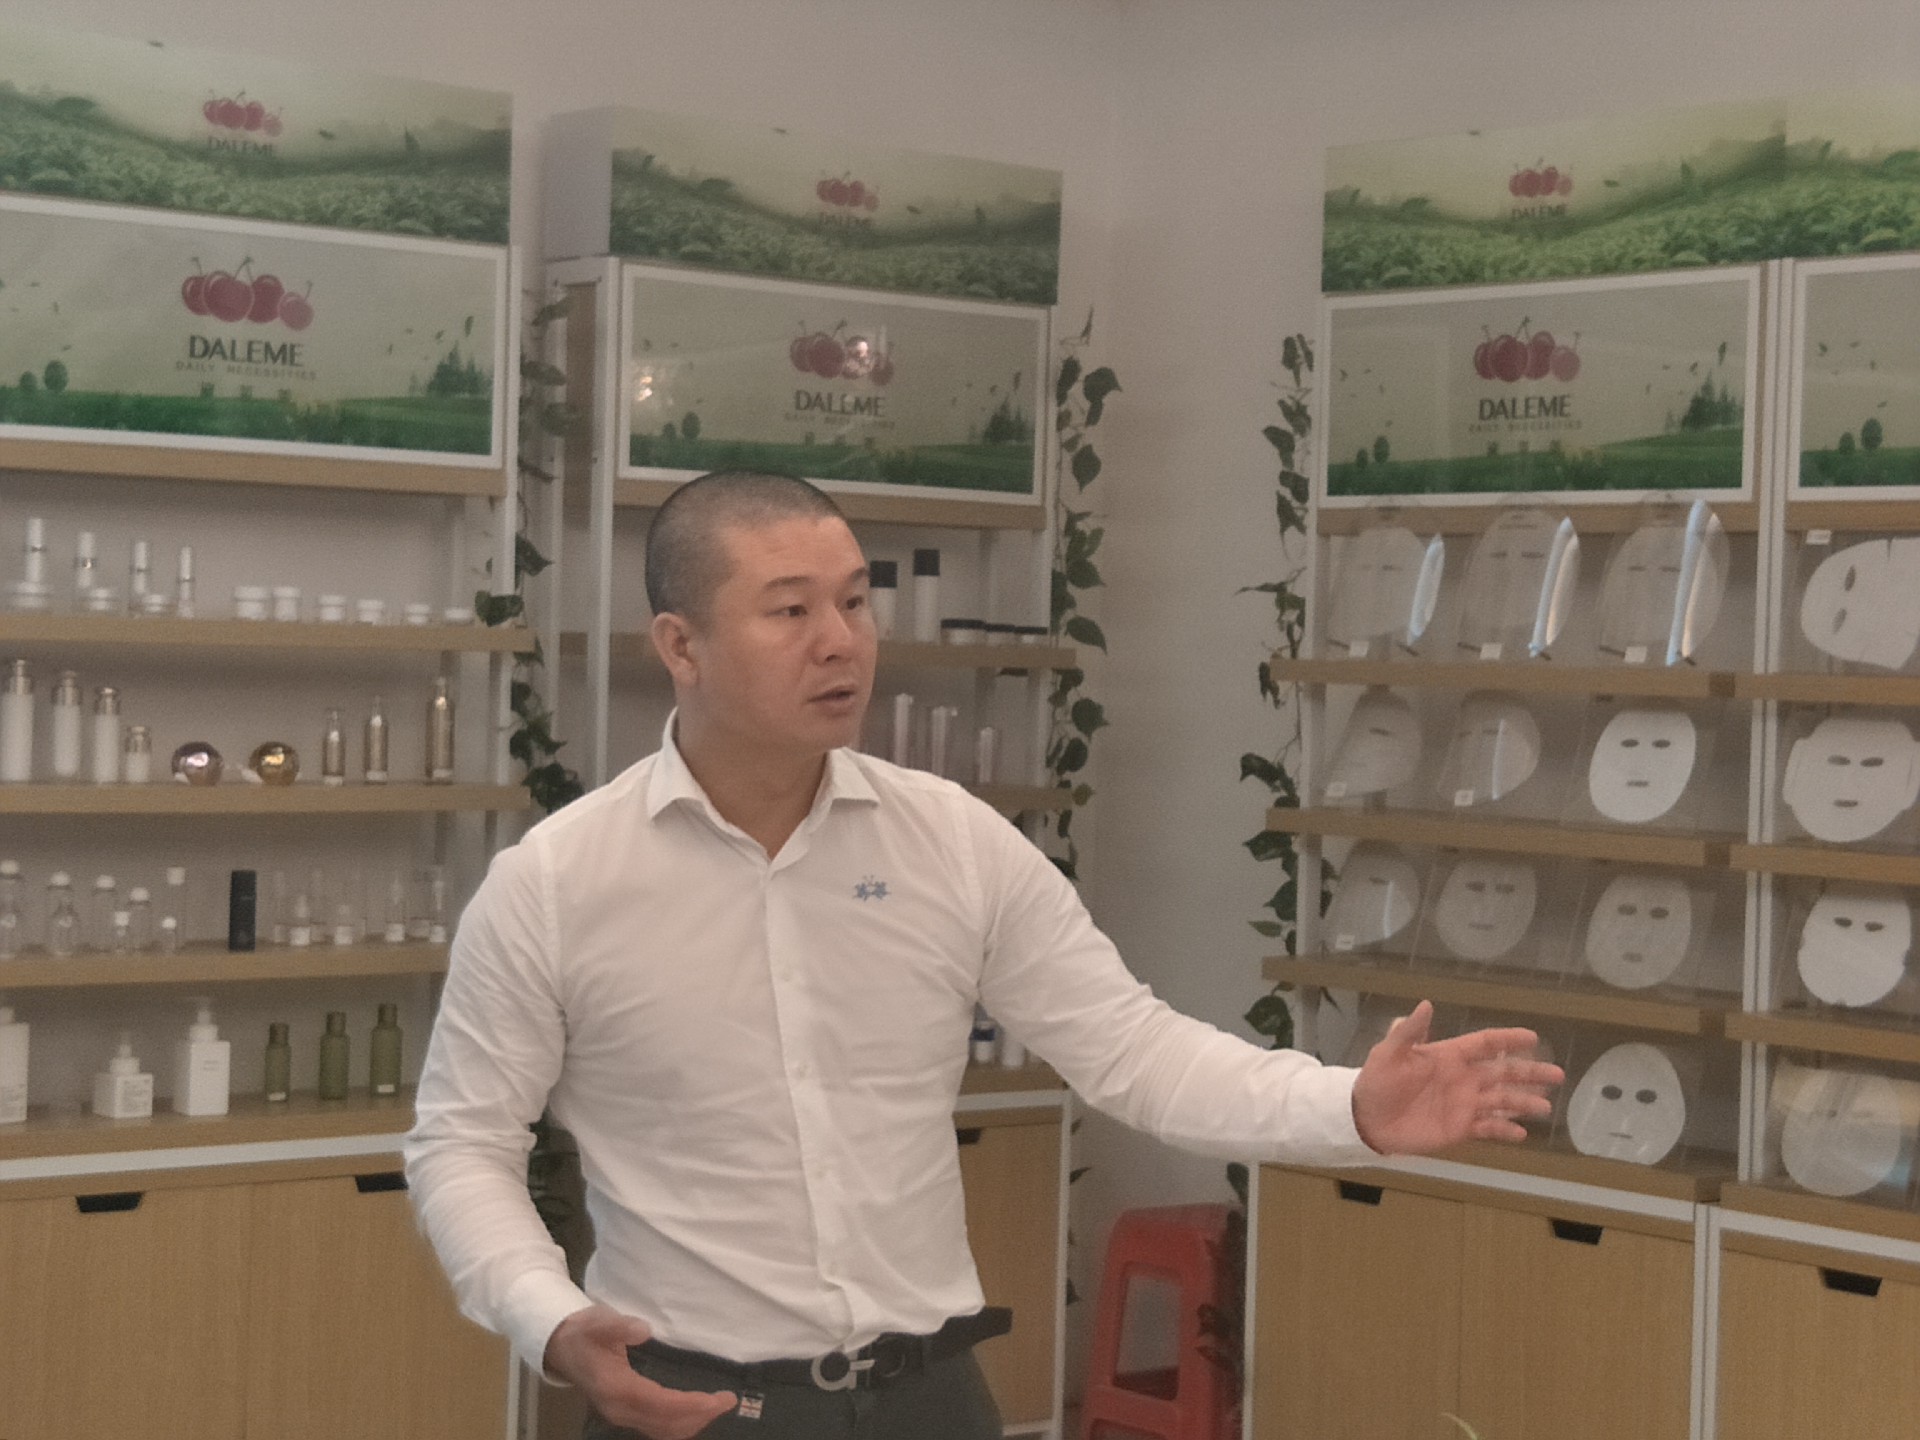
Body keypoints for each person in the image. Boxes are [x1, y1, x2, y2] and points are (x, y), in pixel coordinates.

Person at [404, 470, 1562, 1440]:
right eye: (789, 611)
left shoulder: (950, 842)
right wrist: (550, 1318)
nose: (840, 642)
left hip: (932, 1397)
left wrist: (1348, 1106)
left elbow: (1131, 1051)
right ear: (681, 644)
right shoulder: (560, 883)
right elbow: (463, 1143)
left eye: (854, 602)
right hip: (695, 1404)